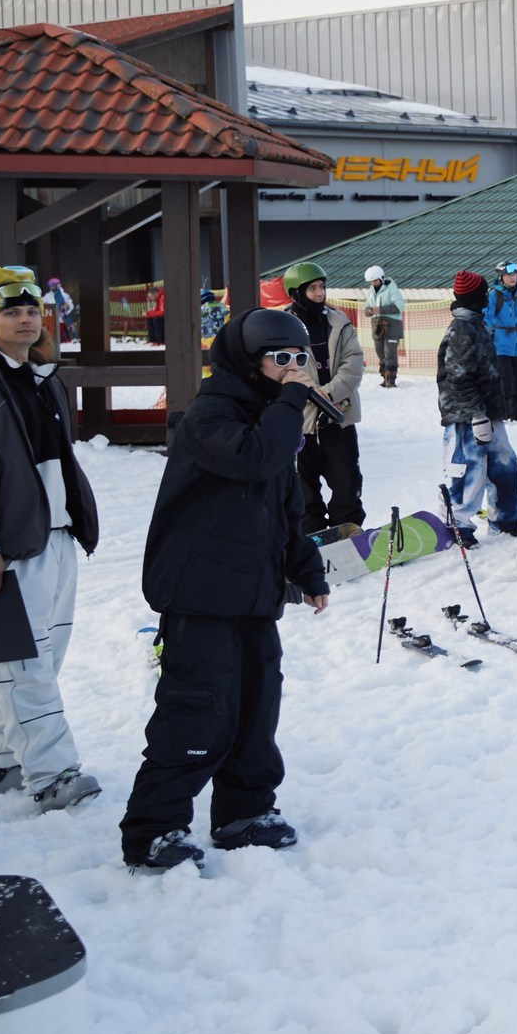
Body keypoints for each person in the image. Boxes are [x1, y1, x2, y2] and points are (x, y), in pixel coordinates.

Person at [121, 308, 332, 872]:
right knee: (198, 710)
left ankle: (245, 811)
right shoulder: (212, 415)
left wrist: (307, 570)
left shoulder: (270, 415)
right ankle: (154, 829)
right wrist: (291, 402)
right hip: (202, 590)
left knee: (256, 706)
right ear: (249, 360)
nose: (291, 371)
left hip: (252, 593)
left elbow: (285, 509)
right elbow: (255, 460)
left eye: (299, 360)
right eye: (280, 360)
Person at [0, 266, 103, 812]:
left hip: (54, 539)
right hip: (4, 551)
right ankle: (53, 774)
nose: (26, 318)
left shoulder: (45, 377)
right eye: (12, 311)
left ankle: (1, 757)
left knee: (36, 661)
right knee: (23, 663)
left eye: (32, 310)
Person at [278, 261, 365, 535]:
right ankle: (310, 532)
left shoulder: (339, 323)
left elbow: (353, 363)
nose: (319, 293)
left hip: (339, 413)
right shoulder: (281, 327)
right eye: (312, 288)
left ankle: (347, 528)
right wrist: (305, 394)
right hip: (300, 419)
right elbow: (278, 368)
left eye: (321, 287)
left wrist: (328, 394)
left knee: (346, 479)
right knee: (303, 483)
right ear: (295, 294)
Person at [436, 271, 517, 544]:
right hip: (466, 416)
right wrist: (476, 415)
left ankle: (506, 520)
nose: (487, 298)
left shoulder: (476, 324)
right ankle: (457, 526)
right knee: (467, 472)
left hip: (489, 413)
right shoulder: (462, 329)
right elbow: (458, 377)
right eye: (483, 294)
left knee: (505, 467)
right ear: (475, 297)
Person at [488, 261, 517, 421]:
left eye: (514, 274)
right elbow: (488, 316)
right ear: (501, 277)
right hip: (501, 345)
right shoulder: (495, 295)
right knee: (506, 380)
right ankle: (504, 413)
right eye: (508, 275)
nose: (513, 278)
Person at [362, 265, 403, 387]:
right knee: (380, 353)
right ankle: (384, 377)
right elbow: (366, 308)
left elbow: (399, 306)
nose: (374, 283)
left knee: (389, 353)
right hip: (377, 325)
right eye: (371, 282)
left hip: (392, 324)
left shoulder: (391, 288)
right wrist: (369, 311)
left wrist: (380, 310)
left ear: (381, 278)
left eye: (375, 281)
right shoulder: (371, 290)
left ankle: (391, 379)